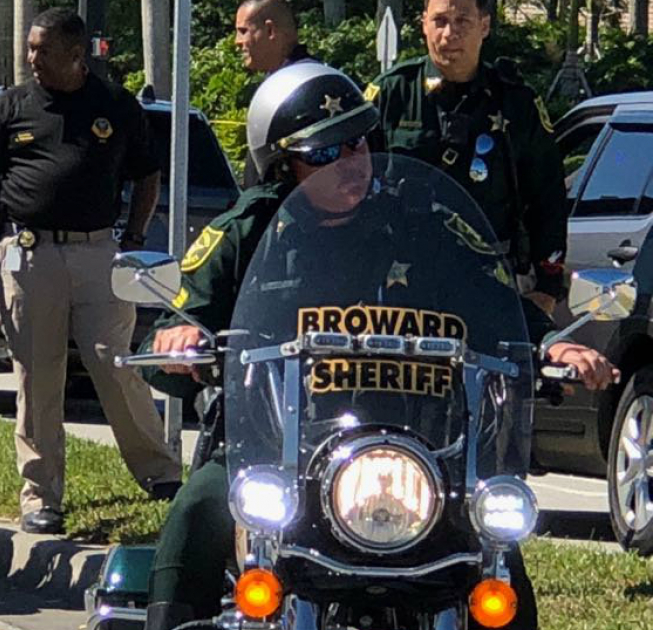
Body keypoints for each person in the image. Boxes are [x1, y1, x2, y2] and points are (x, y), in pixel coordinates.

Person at [140, 63, 618, 630]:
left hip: (424, 451)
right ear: (282, 164)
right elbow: (178, 322)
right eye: (323, 153)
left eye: (358, 142)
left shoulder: (426, 224)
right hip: (276, 447)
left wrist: (551, 348)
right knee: (200, 507)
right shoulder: (249, 230)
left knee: (497, 551)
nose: (350, 163)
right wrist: (179, 337)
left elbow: (496, 307)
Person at [0, 7, 182, 535]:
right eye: (30, 49)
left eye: (43, 50)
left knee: (116, 361)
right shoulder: (10, 108)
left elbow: (148, 175)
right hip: (29, 254)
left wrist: (132, 237)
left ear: (76, 56)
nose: (31, 58)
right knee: (38, 376)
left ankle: (161, 476)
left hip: (98, 253)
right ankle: (41, 495)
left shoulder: (114, 106)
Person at [364, 0, 570, 319]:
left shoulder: (516, 102)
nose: (450, 33)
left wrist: (547, 287)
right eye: (440, 21)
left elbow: (548, 198)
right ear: (423, 24)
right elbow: (351, 184)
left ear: (484, 26)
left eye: (463, 21)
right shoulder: (393, 94)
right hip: (401, 283)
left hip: (490, 280)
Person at [234, 0, 314, 188]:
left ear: (270, 31)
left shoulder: (305, 89)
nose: (237, 42)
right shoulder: (277, 84)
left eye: (243, 31)